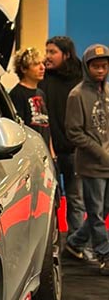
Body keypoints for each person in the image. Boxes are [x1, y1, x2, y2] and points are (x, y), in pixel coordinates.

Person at [65, 43, 109, 275]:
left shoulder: (108, 91)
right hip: (91, 165)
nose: (100, 71)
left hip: (107, 164)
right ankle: (105, 253)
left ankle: (74, 243)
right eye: (96, 66)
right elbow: (73, 131)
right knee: (96, 213)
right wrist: (100, 152)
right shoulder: (77, 95)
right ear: (87, 67)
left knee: (104, 209)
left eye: (104, 66)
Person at [41, 36, 88, 249]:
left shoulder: (81, 78)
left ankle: (76, 246)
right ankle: (53, 247)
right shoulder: (42, 79)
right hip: (50, 152)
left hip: (75, 151)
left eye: (52, 52)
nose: (47, 57)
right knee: (51, 201)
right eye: (47, 51)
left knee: (76, 200)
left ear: (66, 54)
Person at [9, 47, 54, 155]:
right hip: (30, 154)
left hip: (44, 153)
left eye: (42, 63)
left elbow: (46, 126)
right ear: (24, 69)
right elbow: (18, 129)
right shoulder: (17, 94)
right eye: (36, 64)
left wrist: (52, 154)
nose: (42, 67)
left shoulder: (41, 93)